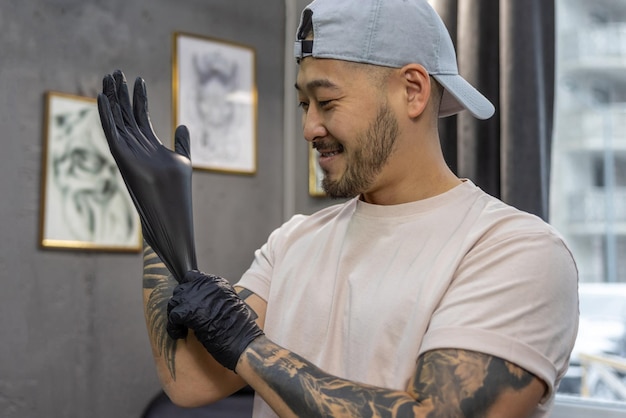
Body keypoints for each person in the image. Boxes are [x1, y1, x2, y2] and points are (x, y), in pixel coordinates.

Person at [97, 0, 579, 417]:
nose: (309, 127)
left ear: (412, 90)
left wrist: (250, 347)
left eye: (326, 101)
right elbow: (188, 380)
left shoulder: (515, 251)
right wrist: (158, 214)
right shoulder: (293, 242)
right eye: (304, 103)